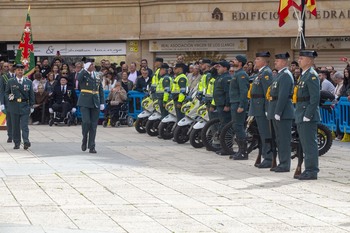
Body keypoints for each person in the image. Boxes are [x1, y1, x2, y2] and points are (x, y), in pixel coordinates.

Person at [267, 52, 295, 172]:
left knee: (283, 139)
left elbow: (283, 96)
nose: (275, 62)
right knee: (279, 138)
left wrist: (278, 112)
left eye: (277, 61)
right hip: (276, 109)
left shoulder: (285, 75)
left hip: (283, 112)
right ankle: (281, 162)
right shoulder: (280, 75)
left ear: (284, 62)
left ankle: (285, 164)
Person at [295, 50, 320, 180]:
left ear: (309, 60)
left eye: (302, 58)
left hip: (307, 114)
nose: (299, 60)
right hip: (300, 112)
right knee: (305, 143)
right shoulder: (303, 75)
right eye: (299, 58)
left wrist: (308, 114)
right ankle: (308, 169)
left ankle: (312, 170)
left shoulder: (312, 75)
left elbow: (315, 98)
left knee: (310, 144)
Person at [248, 52, 274, 165]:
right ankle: (265, 156)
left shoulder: (266, 73)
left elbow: (268, 93)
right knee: (261, 134)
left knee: (266, 134)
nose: (255, 61)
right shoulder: (260, 73)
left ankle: (268, 158)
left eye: (257, 59)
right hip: (257, 107)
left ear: (264, 61)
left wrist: (267, 109)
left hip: (262, 108)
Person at [4, 64, 35, 150]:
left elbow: (31, 94)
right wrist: (9, 96)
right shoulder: (10, 82)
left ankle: (26, 141)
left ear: (23, 71)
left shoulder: (28, 82)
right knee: (15, 126)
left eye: (21, 70)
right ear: (15, 71)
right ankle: (17, 142)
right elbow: (6, 93)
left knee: (24, 125)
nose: (20, 71)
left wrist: (32, 105)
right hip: (14, 106)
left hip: (25, 106)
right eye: (18, 70)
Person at [77, 58, 105, 153]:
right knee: (86, 122)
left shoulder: (97, 75)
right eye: (91, 65)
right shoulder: (83, 74)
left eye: (93, 65)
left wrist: (102, 102)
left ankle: (92, 146)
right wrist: (84, 69)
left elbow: (100, 89)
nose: (93, 66)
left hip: (95, 101)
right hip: (85, 101)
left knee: (93, 125)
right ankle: (84, 138)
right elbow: (78, 79)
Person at [227, 55, 250, 160]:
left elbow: (244, 91)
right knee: (236, 127)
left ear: (240, 63)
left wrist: (242, 105)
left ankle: (243, 152)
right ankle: (240, 151)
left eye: (235, 60)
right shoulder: (237, 74)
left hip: (238, 104)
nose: (233, 61)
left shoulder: (242, 75)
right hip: (234, 103)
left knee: (239, 127)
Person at [211, 60, 232, 153]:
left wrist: (227, 105)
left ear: (225, 68)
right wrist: (213, 68)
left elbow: (228, 93)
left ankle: (227, 147)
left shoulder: (226, 78)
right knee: (222, 125)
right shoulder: (220, 77)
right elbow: (213, 75)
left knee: (226, 126)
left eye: (220, 67)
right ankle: (223, 146)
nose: (218, 69)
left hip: (224, 105)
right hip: (219, 104)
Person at [0, 62, 13, 142]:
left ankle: (16, 135)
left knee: (16, 120)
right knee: (9, 119)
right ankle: (10, 136)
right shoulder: (2, 77)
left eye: (7, 66)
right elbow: (1, 91)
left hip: (16, 101)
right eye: (4, 66)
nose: (6, 68)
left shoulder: (16, 75)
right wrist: (2, 103)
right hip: (7, 101)